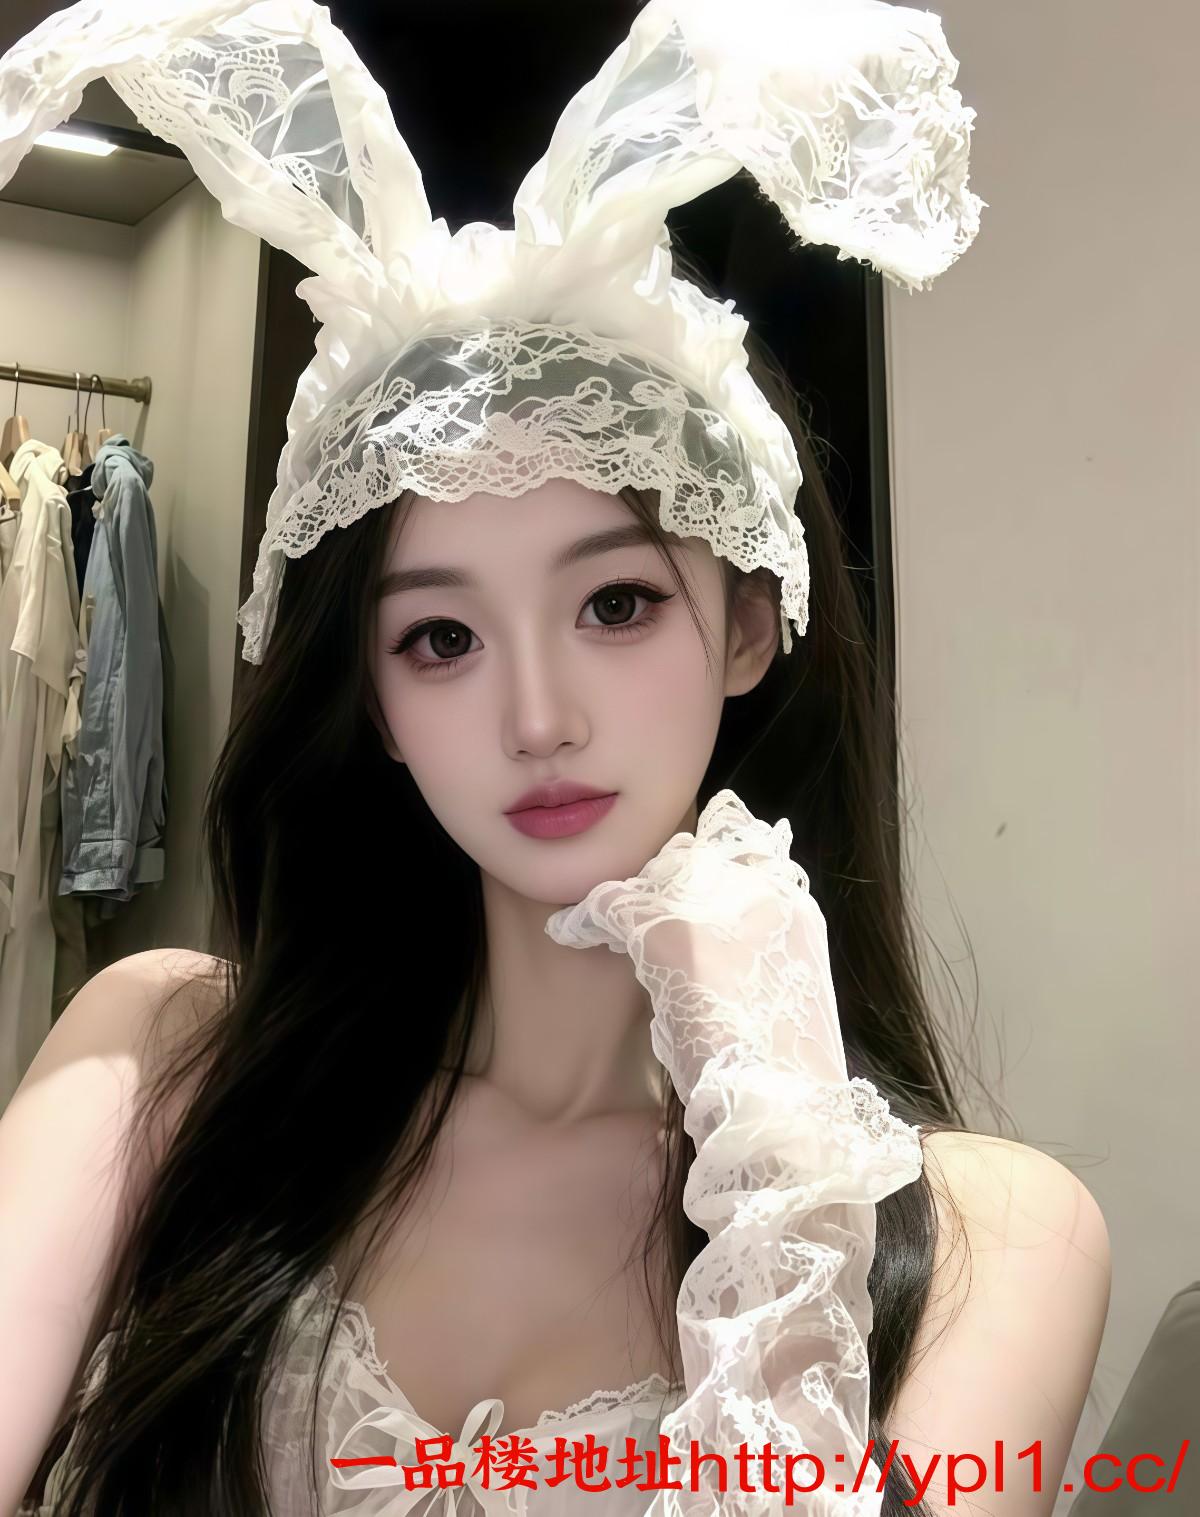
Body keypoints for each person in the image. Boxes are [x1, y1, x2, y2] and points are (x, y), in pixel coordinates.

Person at [0, 1, 1110, 1514]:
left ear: (747, 623)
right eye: (440, 637)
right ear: (373, 701)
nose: (538, 716)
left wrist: (778, 1149)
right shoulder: (165, 1064)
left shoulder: (995, 1237)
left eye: (617, 603)